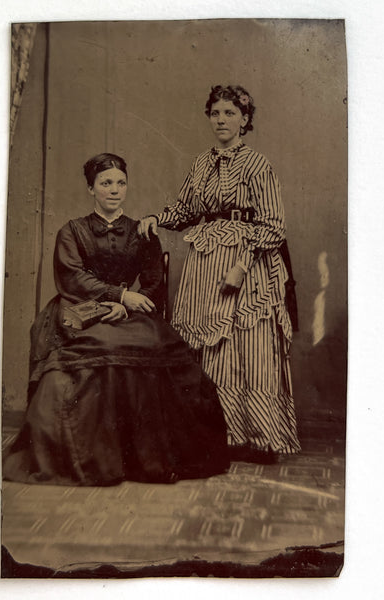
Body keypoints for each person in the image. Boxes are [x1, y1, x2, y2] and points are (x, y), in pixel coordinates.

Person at [3, 152, 230, 486]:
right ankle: (93, 456)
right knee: (91, 350)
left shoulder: (142, 232)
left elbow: (154, 283)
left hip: (129, 312)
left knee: (151, 343)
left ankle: (141, 456)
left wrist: (127, 306)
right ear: (91, 189)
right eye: (105, 183)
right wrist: (119, 295)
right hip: (79, 308)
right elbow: (72, 277)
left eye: (120, 183)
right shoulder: (73, 231)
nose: (114, 190)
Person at [138, 85, 301, 463]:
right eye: (215, 113)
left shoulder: (258, 165)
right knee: (213, 348)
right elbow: (182, 209)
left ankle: (261, 438)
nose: (222, 120)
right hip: (205, 263)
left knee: (250, 346)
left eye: (230, 113)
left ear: (245, 119)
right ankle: (222, 433)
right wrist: (155, 219)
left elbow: (275, 226)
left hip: (246, 263)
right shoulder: (200, 164)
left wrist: (242, 266)